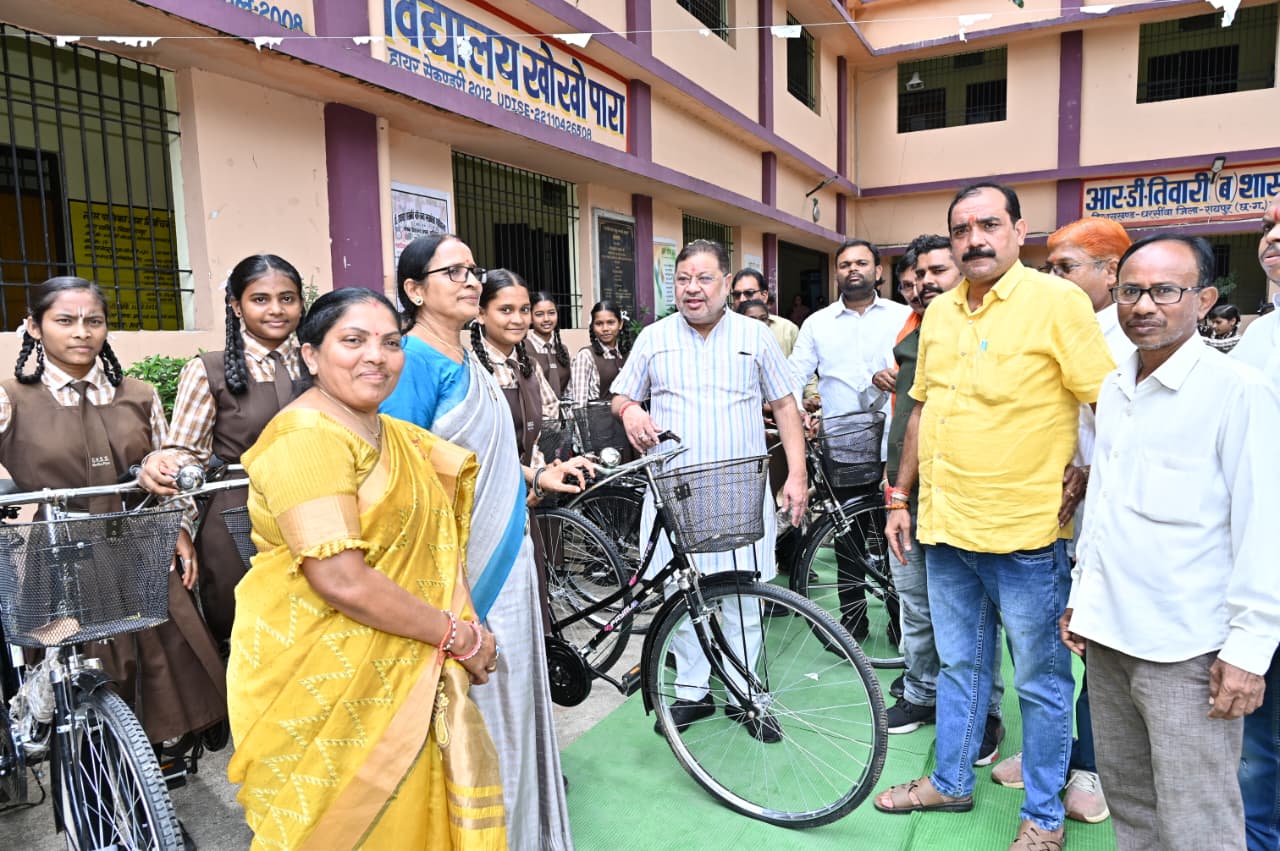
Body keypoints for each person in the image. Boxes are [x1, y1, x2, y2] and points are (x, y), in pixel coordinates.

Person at [875, 183, 1114, 851]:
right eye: (962, 229)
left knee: (1041, 683)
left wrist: (1091, 475)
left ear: (1018, 229)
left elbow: (1108, 404)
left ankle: (1044, 816)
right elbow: (921, 409)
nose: (974, 238)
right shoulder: (940, 314)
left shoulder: (1057, 302)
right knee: (959, 667)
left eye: (988, 224)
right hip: (946, 526)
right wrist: (900, 496)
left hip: (1027, 534)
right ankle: (951, 780)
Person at [227, 288, 505, 850]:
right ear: (311, 355)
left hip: (408, 654)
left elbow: (435, 546)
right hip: (325, 677)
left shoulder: (391, 435)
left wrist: (463, 627)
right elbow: (341, 580)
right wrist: (459, 637)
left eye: (391, 343)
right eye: (353, 341)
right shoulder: (306, 439)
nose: (376, 356)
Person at [1061, 234, 1280, 851]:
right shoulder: (1114, 387)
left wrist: (1250, 651)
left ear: (1203, 300)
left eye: (1165, 291)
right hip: (1109, 637)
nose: (1144, 305)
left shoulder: (1237, 392)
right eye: (1131, 291)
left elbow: (1265, 526)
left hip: (1189, 650)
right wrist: (1082, 597)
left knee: (1198, 820)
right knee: (1132, 805)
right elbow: (1106, 507)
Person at [0, 277, 226, 834]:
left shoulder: (139, 394)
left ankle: (153, 803)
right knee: (79, 688)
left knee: (164, 675)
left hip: (138, 549)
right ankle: (97, 810)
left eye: (93, 321)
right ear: (34, 327)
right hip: (57, 558)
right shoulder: (11, 397)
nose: (82, 332)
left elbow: (165, 464)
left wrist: (177, 524)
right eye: (65, 320)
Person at [380, 233, 578, 850]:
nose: (470, 280)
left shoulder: (470, 360)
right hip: (461, 572)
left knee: (515, 698)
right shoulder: (413, 363)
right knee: (482, 707)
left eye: (473, 269)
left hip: (511, 549)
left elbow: (478, 461)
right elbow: (406, 481)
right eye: (453, 272)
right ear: (414, 291)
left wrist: (535, 477)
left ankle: (525, 830)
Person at [611, 238, 808, 742]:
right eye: (682, 279)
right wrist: (630, 410)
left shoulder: (755, 336)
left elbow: (786, 405)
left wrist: (797, 475)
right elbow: (622, 395)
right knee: (681, 598)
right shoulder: (654, 337)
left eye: (703, 278)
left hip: (740, 491)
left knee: (744, 598)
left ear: (726, 284)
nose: (692, 289)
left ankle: (746, 695)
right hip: (673, 494)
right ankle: (692, 693)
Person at [989, 216, 1135, 824]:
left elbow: (1133, 433)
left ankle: (1092, 765)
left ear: (1110, 272)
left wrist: (1090, 473)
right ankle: (1051, 750)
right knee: (1042, 643)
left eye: (1066, 267)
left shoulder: (1131, 336)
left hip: (1106, 513)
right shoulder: (1047, 318)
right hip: (1048, 508)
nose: (1055, 278)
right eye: (1050, 267)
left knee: (1098, 648)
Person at [140, 254, 307, 649]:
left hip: (311, 508)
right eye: (260, 299)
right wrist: (179, 521)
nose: (276, 310)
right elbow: (185, 454)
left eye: (287, 298)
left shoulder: (319, 362)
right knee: (250, 638)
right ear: (236, 306)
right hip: (237, 518)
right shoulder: (208, 370)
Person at [881, 235, 1007, 747]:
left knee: (969, 616)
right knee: (914, 604)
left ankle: (987, 713)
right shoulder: (917, 326)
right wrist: (895, 488)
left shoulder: (979, 326)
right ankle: (921, 692)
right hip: (904, 490)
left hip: (957, 494)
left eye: (939, 271)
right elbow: (909, 413)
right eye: (918, 275)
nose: (926, 282)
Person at [789, 239, 913, 695]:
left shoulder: (903, 316)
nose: (853, 269)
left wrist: (899, 376)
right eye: (845, 264)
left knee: (899, 537)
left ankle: (902, 625)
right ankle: (852, 623)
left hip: (897, 444)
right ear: (836, 272)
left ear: (878, 270)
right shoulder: (818, 323)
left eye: (862, 263)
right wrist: (796, 410)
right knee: (847, 537)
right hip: (843, 446)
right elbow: (794, 373)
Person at [1231, 195, 1280, 851]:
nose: (1273, 236)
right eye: (1268, 226)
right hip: (1261, 552)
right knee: (1259, 737)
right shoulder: (1262, 333)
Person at [469, 270, 560, 466]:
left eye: (524, 309)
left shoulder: (530, 366)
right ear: (480, 314)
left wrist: (542, 468)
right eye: (506, 310)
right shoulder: (471, 370)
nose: (518, 320)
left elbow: (551, 410)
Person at [730, 268, 800, 356]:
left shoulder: (787, 330)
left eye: (749, 293)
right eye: (737, 294)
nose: (742, 299)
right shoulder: (723, 330)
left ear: (764, 296)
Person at [526, 290, 572, 399]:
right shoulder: (523, 349)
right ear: (530, 317)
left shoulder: (563, 350)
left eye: (551, 313)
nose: (546, 319)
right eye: (539, 314)